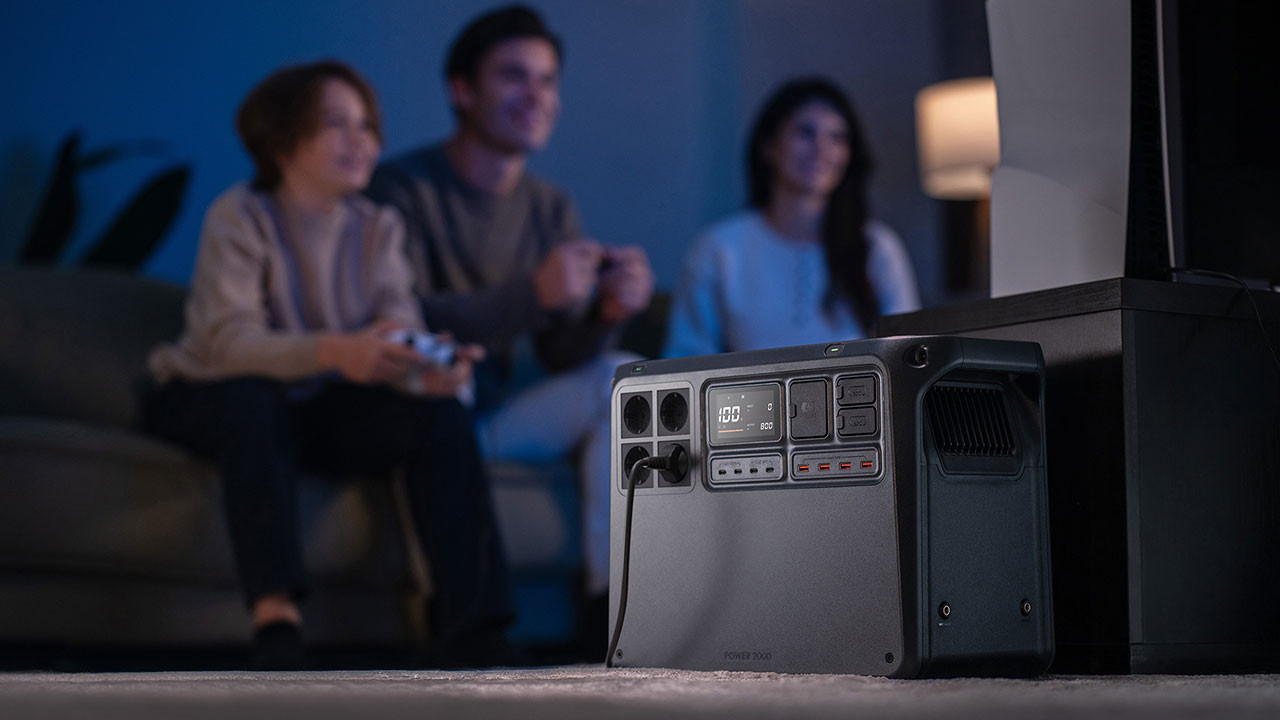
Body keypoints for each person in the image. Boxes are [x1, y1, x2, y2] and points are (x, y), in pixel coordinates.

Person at [143, 60, 513, 669]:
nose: (360, 141)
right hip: (207, 392)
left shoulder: (379, 227)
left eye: (367, 126)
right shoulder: (240, 214)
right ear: (282, 141)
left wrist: (430, 369)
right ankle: (276, 619)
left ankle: (472, 629)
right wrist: (336, 350)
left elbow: (396, 332)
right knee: (254, 398)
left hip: (314, 407)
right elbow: (225, 344)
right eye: (336, 124)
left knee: (441, 415)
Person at [366, 5, 653, 652]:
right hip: (422, 410)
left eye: (547, 80)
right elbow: (400, 321)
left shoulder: (550, 206)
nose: (536, 95)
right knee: (441, 401)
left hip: (497, 417)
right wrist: (532, 294)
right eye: (513, 76)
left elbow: (560, 355)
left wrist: (607, 313)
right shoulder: (401, 189)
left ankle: (612, 612)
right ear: (461, 90)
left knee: (623, 377)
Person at [664, 78, 920, 358]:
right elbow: (686, 355)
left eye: (837, 137)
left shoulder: (878, 246)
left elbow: (907, 355)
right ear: (769, 146)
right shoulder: (718, 248)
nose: (822, 149)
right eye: (805, 133)